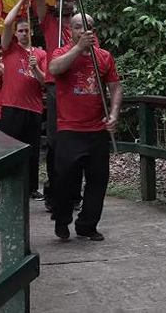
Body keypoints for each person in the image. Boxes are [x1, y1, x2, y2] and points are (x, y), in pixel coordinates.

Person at [47, 13, 123, 241]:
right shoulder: (61, 53)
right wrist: (78, 48)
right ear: (70, 31)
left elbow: (116, 87)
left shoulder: (104, 57)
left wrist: (113, 113)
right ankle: (62, 219)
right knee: (63, 180)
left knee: (98, 180)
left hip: (96, 129)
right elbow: (54, 69)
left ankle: (87, 225)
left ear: (94, 31)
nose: (83, 31)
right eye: (78, 27)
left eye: (88, 27)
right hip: (69, 128)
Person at [32, 0, 80, 209]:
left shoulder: (81, 26)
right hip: (55, 85)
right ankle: (53, 193)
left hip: (77, 86)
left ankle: (74, 195)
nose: (68, 4)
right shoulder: (51, 22)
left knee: (77, 138)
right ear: (58, 2)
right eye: (64, 0)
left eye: (71, 0)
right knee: (55, 140)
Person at [0, 0, 47, 199]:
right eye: (21, 31)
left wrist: (35, 69)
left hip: (34, 108)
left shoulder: (40, 54)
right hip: (11, 105)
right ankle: (3, 188)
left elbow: (45, 82)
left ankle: (31, 188)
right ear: (16, 34)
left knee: (32, 151)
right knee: (8, 149)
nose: (24, 33)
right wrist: (23, 1)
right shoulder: (9, 49)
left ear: (32, 32)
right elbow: (8, 22)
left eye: (27, 30)